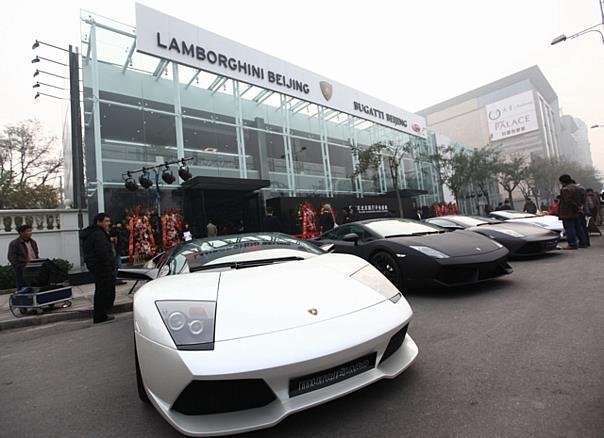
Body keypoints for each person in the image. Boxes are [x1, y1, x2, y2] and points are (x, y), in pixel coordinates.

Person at [81, 213, 116, 323]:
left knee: (101, 290)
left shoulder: (95, 233)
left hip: (97, 266)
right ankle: (100, 315)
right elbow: (102, 252)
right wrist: (109, 266)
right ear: (99, 222)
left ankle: (101, 314)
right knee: (102, 291)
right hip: (101, 267)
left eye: (108, 221)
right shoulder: (97, 234)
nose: (108, 223)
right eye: (106, 221)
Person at [7, 224, 39, 291]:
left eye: (31, 231)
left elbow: (36, 254)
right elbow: (11, 257)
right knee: (22, 287)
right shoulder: (14, 243)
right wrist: (18, 266)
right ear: (21, 233)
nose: (30, 233)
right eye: (28, 231)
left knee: (33, 286)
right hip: (22, 268)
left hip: (34, 266)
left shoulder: (33, 242)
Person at [557, 175, 585, 250]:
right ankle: (582, 242)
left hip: (567, 212)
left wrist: (576, 208)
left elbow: (568, 201)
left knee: (569, 228)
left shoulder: (565, 189)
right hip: (576, 211)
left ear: (563, 182)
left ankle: (572, 244)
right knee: (578, 227)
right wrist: (579, 207)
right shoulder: (577, 188)